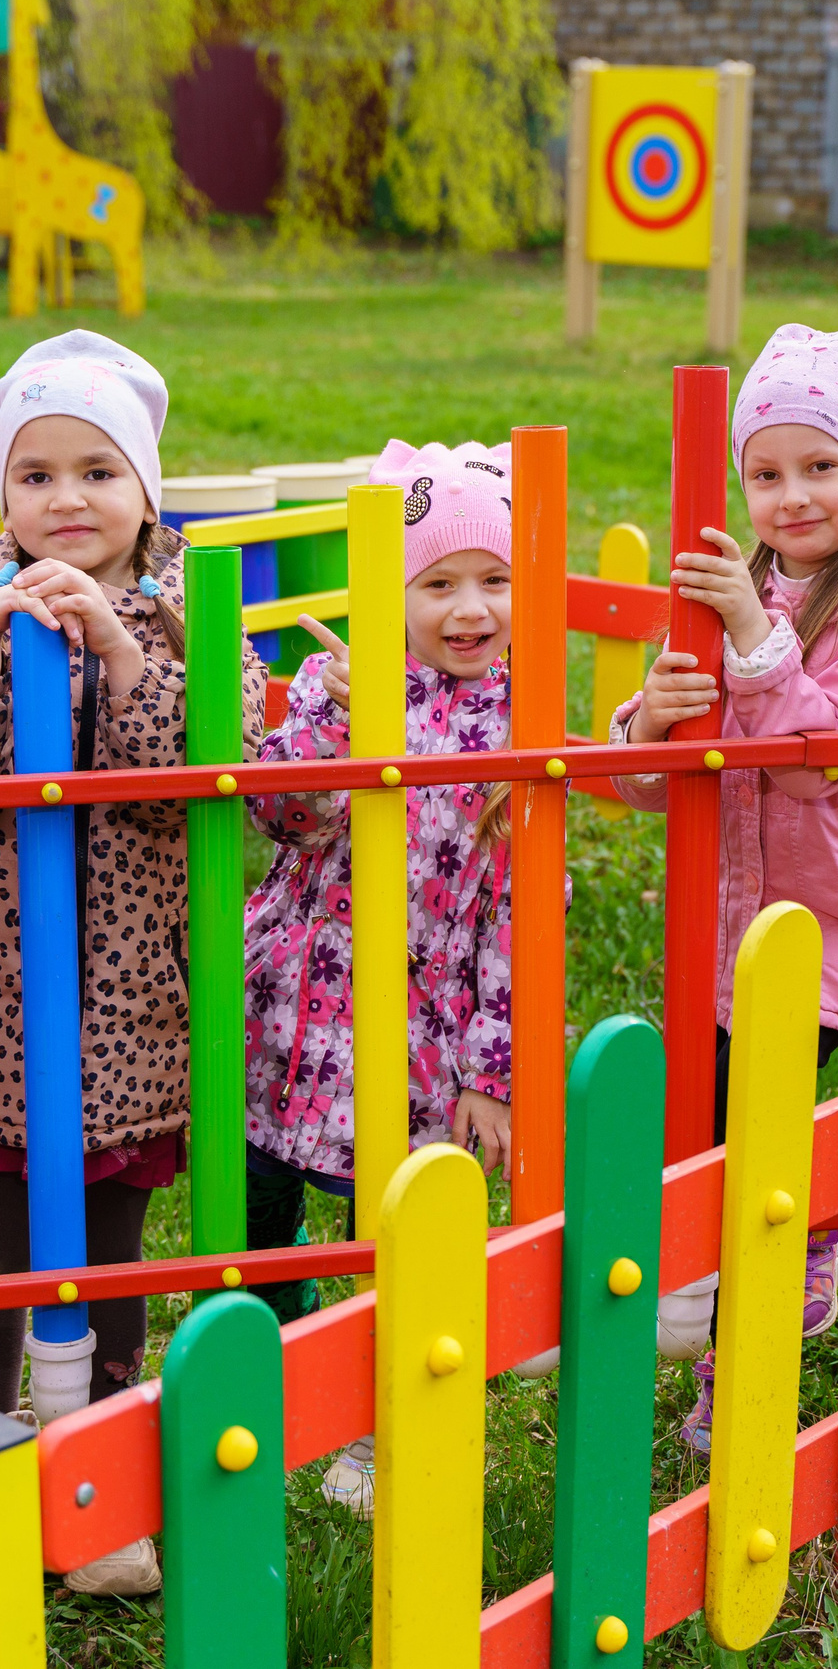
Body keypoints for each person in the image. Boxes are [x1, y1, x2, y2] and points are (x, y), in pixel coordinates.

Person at [0, 330, 263, 1598]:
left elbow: (204, 772)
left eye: (99, 472)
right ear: (5, 495)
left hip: (134, 1008)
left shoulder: (190, 624)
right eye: (36, 474)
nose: (67, 500)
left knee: (114, 1241)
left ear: (146, 493)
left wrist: (116, 647)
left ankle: (98, 1482)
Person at [608, 324, 838, 1452]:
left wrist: (748, 629)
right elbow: (644, 784)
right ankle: (767, 1273)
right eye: (765, 474)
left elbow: (824, 763)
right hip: (733, 928)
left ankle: (755, 1338)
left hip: (837, 925)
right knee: (712, 1133)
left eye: (822, 465)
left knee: (753, 1144)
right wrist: (650, 722)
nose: (793, 496)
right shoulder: (741, 586)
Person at [241, 439, 524, 1516]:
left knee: (396, 1233)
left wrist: (490, 1074)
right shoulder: (342, 686)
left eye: (494, 579)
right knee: (261, 1211)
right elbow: (279, 814)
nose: (470, 609)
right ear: (391, 594)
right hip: (291, 1014)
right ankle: (267, 1382)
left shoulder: (519, 721)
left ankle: (376, 1420)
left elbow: (515, 918)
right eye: (438, 583)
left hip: (421, 1036)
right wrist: (338, 721)